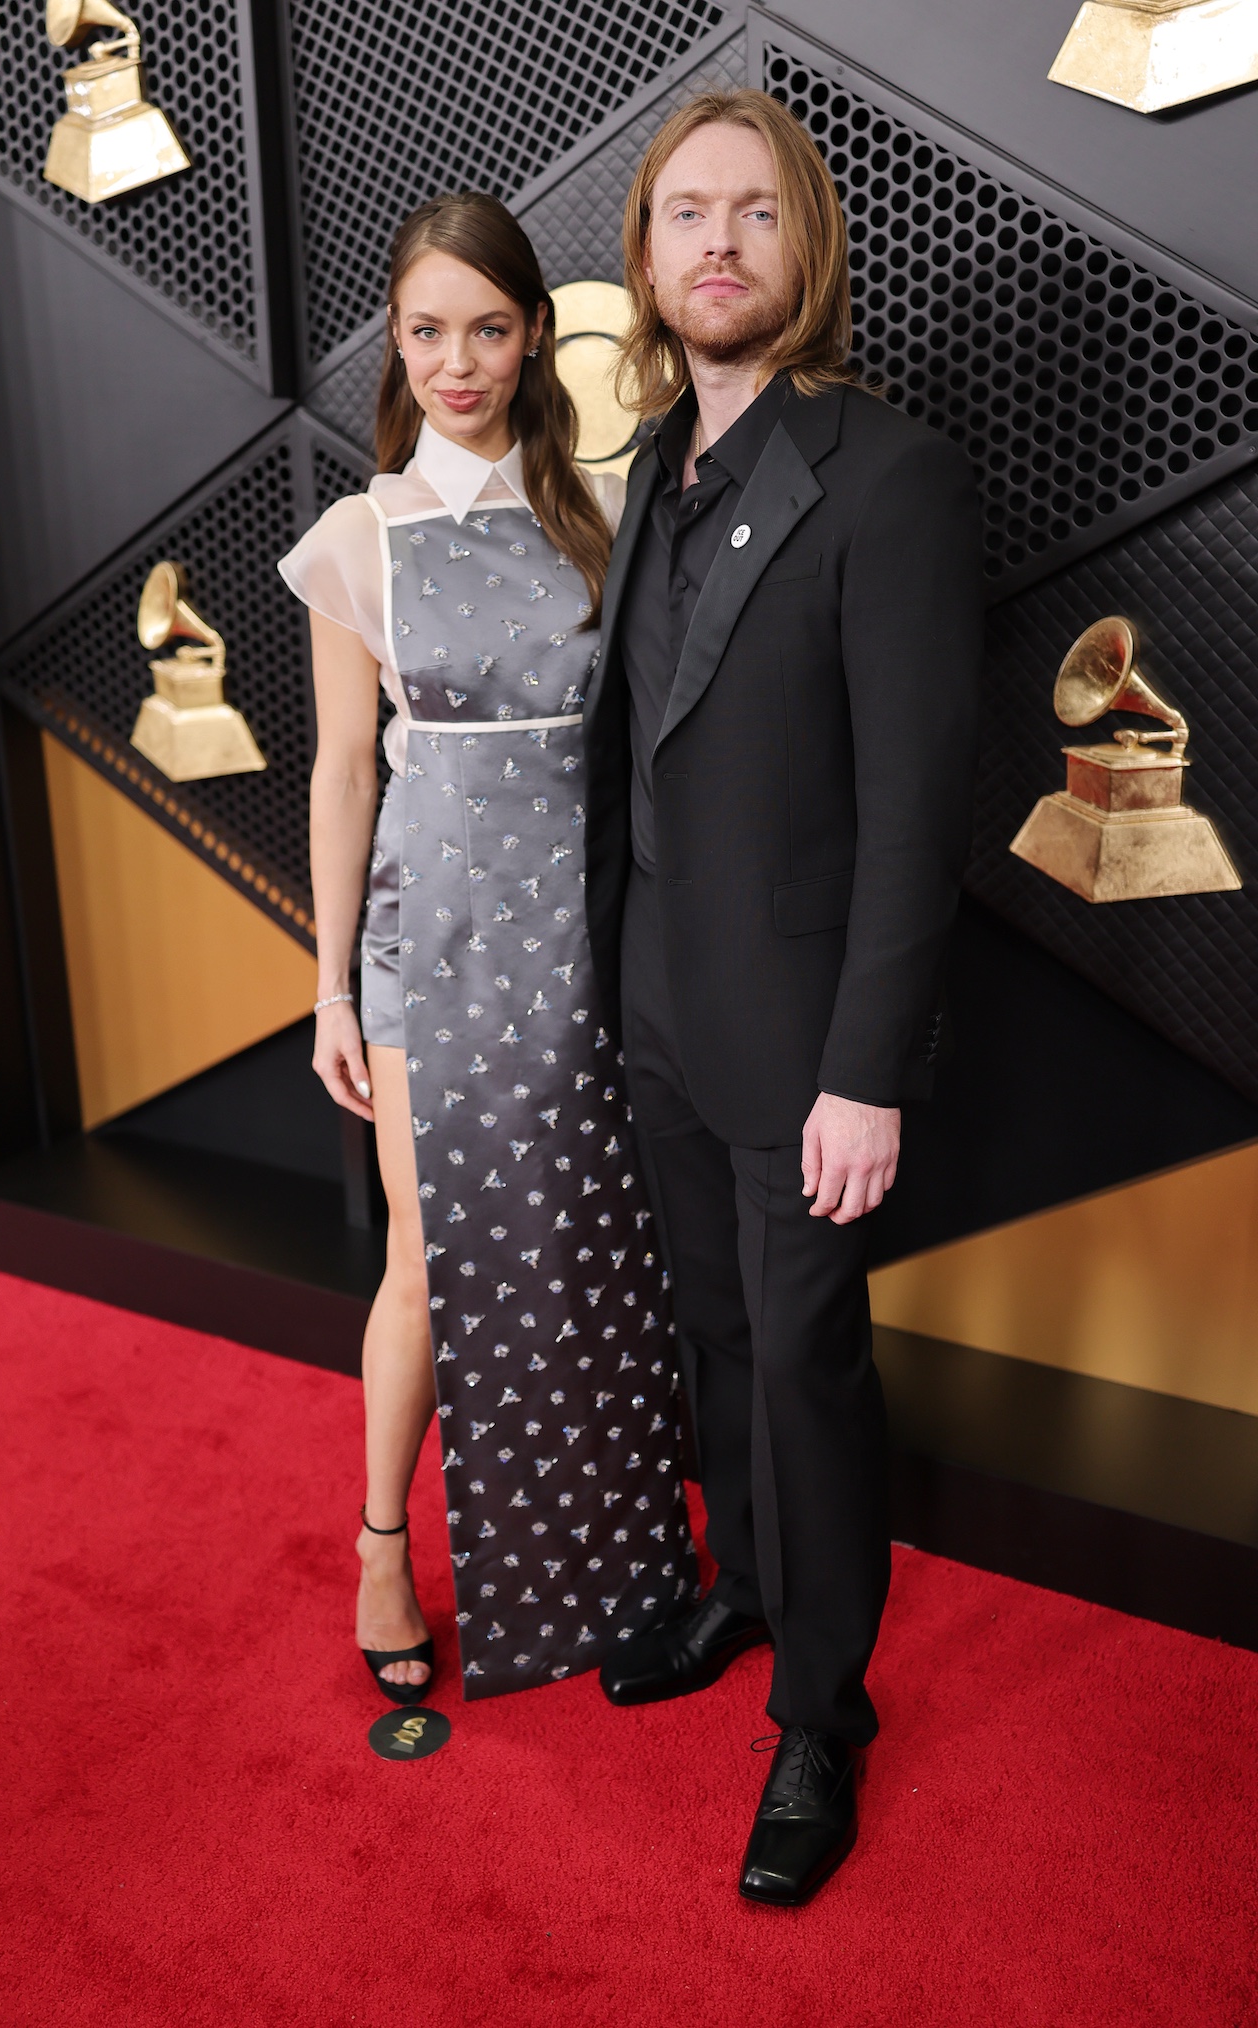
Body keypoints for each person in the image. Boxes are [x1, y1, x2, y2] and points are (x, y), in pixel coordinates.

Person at [583, 91, 983, 1904]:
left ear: (802, 246)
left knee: (807, 1363)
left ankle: (823, 1711)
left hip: (810, 1042)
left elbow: (918, 812)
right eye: (685, 215)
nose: (718, 241)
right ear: (648, 258)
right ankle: (745, 1587)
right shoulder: (651, 463)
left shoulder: (883, 474)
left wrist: (868, 1073)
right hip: (658, 1010)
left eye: (754, 211)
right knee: (715, 1337)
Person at [278, 193, 696, 1708]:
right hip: (428, 949)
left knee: (596, 1257)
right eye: (427, 332)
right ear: (396, 346)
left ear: (535, 337)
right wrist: (326, 985)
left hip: (584, 944)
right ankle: (386, 1545)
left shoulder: (593, 509)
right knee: (427, 1264)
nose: (460, 363)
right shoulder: (358, 537)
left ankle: (603, 1552)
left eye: (491, 329)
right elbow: (342, 772)